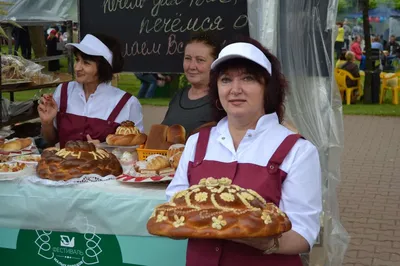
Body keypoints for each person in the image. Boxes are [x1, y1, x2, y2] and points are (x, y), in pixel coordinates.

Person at [166, 38, 322, 265]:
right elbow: (176, 204)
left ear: (267, 88)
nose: (235, 89)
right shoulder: (196, 143)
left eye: (248, 78)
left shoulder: (297, 150)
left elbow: (304, 233)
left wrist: (269, 243)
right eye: (226, 80)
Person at [38, 33, 144, 148]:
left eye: (86, 63)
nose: (77, 67)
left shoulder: (127, 103)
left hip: (106, 166)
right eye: (77, 60)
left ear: (103, 68)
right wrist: (47, 123)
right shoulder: (63, 91)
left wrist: (105, 147)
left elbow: (137, 148)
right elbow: (51, 140)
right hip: (64, 165)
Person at [161, 31, 221, 136]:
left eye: (200, 60)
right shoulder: (179, 95)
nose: (192, 66)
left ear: (215, 63)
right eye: (188, 58)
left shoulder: (221, 100)